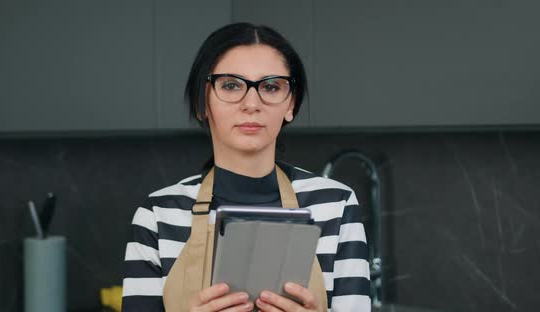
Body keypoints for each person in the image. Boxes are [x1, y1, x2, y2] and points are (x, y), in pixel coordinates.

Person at [122, 23, 371, 312]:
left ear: (291, 103)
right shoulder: (158, 215)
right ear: (202, 102)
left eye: (270, 86)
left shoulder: (336, 206)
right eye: (230, 85)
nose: (252, 103)